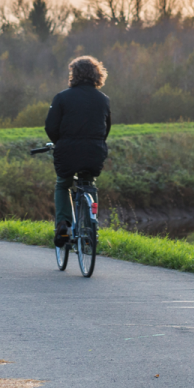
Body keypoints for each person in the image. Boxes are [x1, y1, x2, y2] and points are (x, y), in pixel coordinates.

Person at [44, 55, 110, 247]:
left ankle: (63, 224)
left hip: (67, 150)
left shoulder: (62, 97)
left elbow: (50, 126)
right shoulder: (103, 100)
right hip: (94, 151)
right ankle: (92, 228)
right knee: (89, 183)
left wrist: (60, 142)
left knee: (63, 184)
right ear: (97, 75)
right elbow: (106, 128)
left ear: (74, 74)